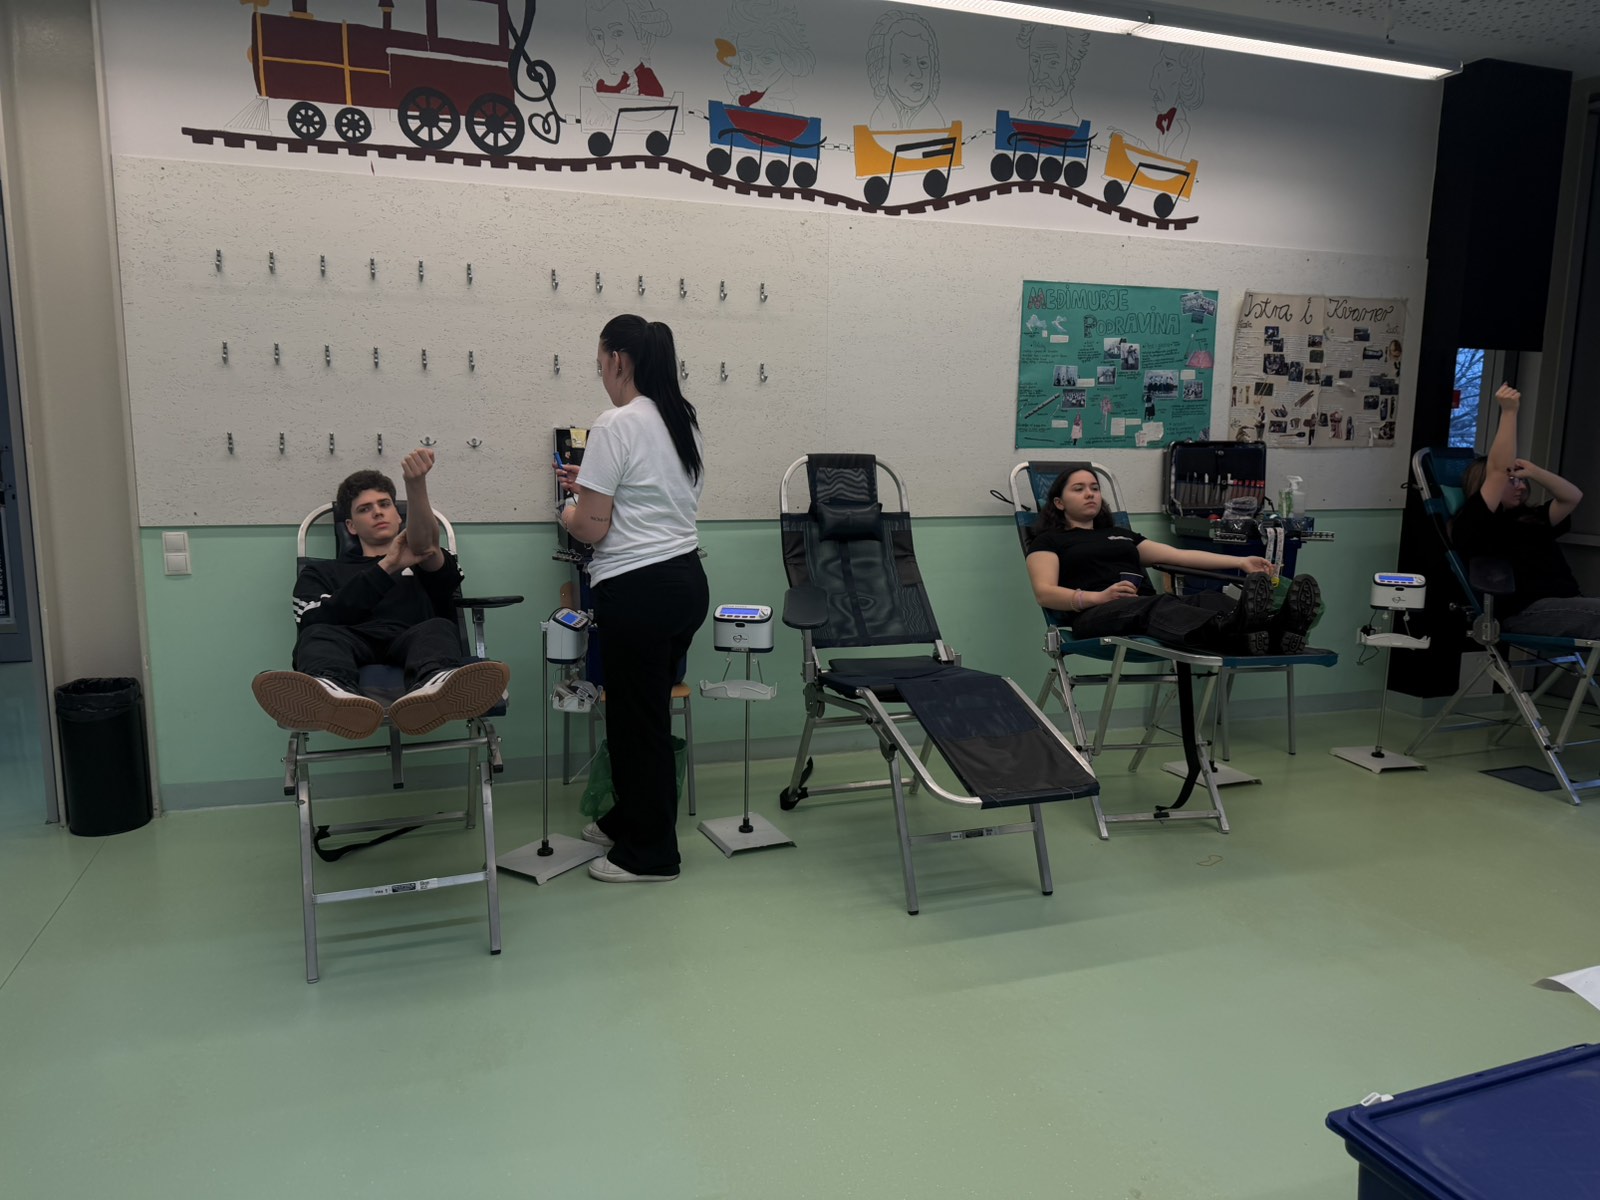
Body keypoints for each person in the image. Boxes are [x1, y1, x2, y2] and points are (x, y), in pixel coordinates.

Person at [556, 315, 710, 883]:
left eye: (600, 362)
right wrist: (593, 486)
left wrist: (567, 510)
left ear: (618, 359)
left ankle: (651, 854)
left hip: (639, 590)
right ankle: (630, 819)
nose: (600, 372)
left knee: (634, 723)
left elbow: (592, 528)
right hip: (684, 582)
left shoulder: (616, 422)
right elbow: (651, 497)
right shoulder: (681, 419)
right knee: (644, 716)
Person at [252, 450, 511, 739]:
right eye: (364, 509)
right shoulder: (321, 572)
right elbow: (311, 620)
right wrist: (388, 566)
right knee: (318, 635)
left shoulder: (423, 560)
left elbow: (427, 549)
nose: (377, 512)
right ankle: (332, 691)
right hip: (349, 642)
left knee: (438, 627)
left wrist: (415, 483)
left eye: (385, 504)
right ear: (350, 526)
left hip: (414, 640)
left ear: (399, 517)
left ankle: (435, 685)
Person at [1025, 467, 1321, 654]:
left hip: (1139, 609)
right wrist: (1098, 597)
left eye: (1094, 488)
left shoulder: (1121, 535)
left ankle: (1279, 629)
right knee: (1158, 604)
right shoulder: (1049, 541)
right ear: (1059, 503)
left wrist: (1240, 562)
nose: (1090, 494)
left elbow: (1178, 556)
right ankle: (1231, 630)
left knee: (1208, 598)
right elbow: (1044, 593)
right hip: (1094, 615)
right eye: (1079, 489)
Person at [1452, 383, 1597, 637]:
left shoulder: (1531, 518)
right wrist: (1509, 412)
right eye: (1512, 481)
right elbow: (1498, 471)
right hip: (1525, 611)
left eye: (1521, 481)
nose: (1520, 486)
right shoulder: (1476, 522)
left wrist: (1535, 472)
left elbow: (1572, 496)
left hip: (1568, 603)